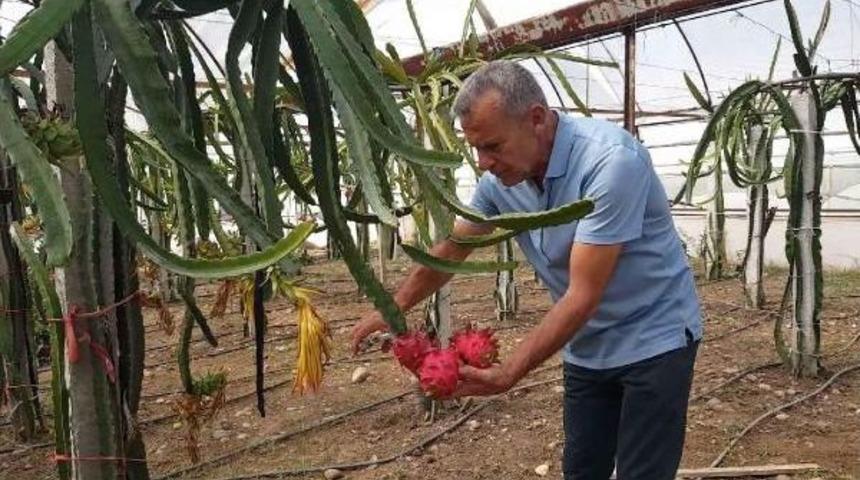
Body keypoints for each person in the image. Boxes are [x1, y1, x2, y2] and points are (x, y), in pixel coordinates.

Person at [350, 60, 702, 480]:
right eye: (476, 148)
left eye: (493, 146)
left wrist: (509, 371)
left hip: (654, 340)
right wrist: (393, 307)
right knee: (582, 470)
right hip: (586, 347)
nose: (483, 162)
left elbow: (582, 293)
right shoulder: (500, 182)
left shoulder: (611, 163)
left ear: (536, 119)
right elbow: (452, 248)